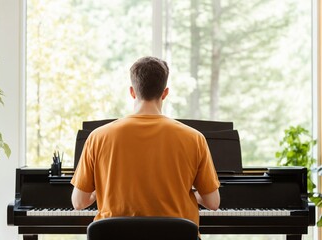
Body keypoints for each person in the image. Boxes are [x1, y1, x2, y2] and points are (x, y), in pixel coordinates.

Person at [70, 56, 220, 235]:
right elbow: (213, 203)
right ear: (165, 93)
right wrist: (186, 193)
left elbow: (79, 202)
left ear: (132, 92)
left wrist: (100, 192)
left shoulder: (97, 137)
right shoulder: (195, 138)